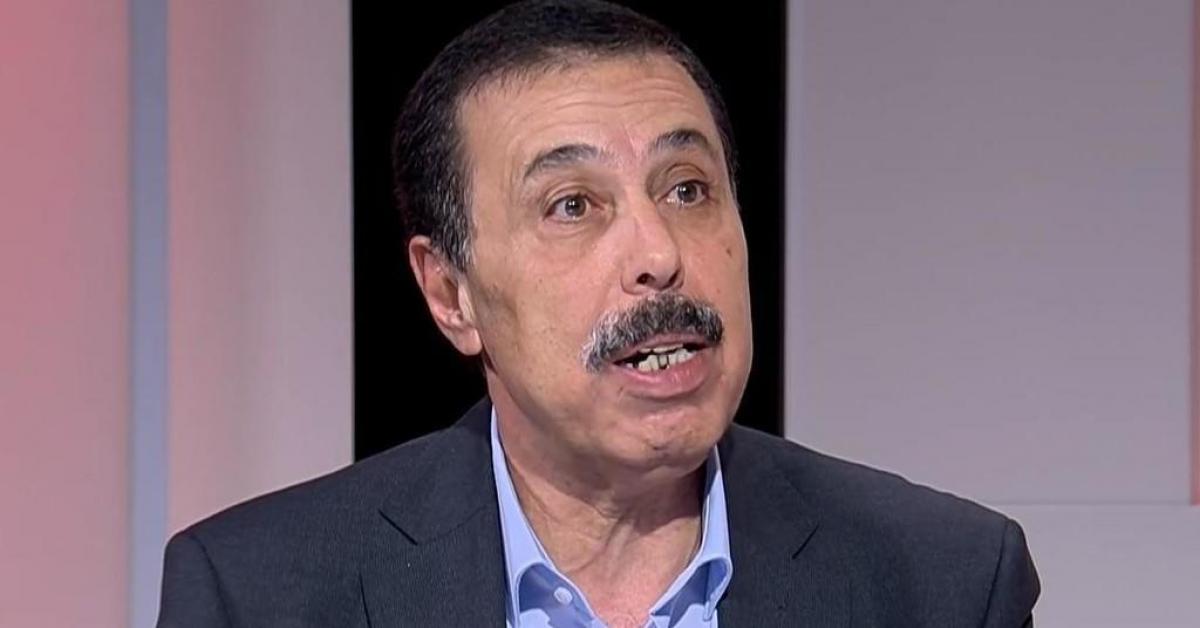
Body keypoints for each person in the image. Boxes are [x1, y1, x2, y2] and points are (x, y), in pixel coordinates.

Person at [157, 1, 1040, 626]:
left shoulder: (942, 583)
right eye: (573, 205)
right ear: (450, 294)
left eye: (687, 189)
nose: (659, 253)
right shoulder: (259, 594)